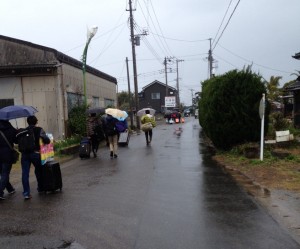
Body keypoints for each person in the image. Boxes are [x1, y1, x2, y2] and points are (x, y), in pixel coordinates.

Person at [19, 116, 50, 200]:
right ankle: (41, 188)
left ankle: (26, 193)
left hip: (24, 155)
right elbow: (46, 140)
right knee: (39, 170)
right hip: (35, 153)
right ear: (36, 121)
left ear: (28, 122)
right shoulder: (39, 129)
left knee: (25, 174)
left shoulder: (23, 131)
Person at [0, 120, 18, 200]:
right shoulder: (11, 129)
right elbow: (16, 141)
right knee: (5, 173)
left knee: (3, 173)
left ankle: (10, 189)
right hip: (7, 154)